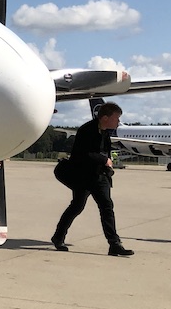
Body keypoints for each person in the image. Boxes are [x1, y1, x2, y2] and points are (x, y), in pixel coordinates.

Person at [51, 102, 134, 256]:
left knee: (107, 207)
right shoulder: (86, 130)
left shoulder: (106, 133)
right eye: (116, 118)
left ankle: (114, 244)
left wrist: (108, 167)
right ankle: (58, 237)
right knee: (77, 206)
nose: (118, 122)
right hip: (83, 176)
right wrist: (104, 160)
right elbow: (82, 155)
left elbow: (105, 153)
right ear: (105, 118)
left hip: (99, 176)